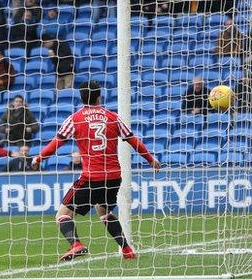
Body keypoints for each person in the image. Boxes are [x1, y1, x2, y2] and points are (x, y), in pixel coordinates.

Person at [31, 81, 161, 261]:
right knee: (104, 212)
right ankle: (127, 250)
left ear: (81, 97)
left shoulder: (75, 119)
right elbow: (132, 140)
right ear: (99, 96)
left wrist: (39, 158)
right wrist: (150, 159)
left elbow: (56, 144)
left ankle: (76, 244)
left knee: (62, 215)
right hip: (114, 176)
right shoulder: (112, 116)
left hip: (91, 176)